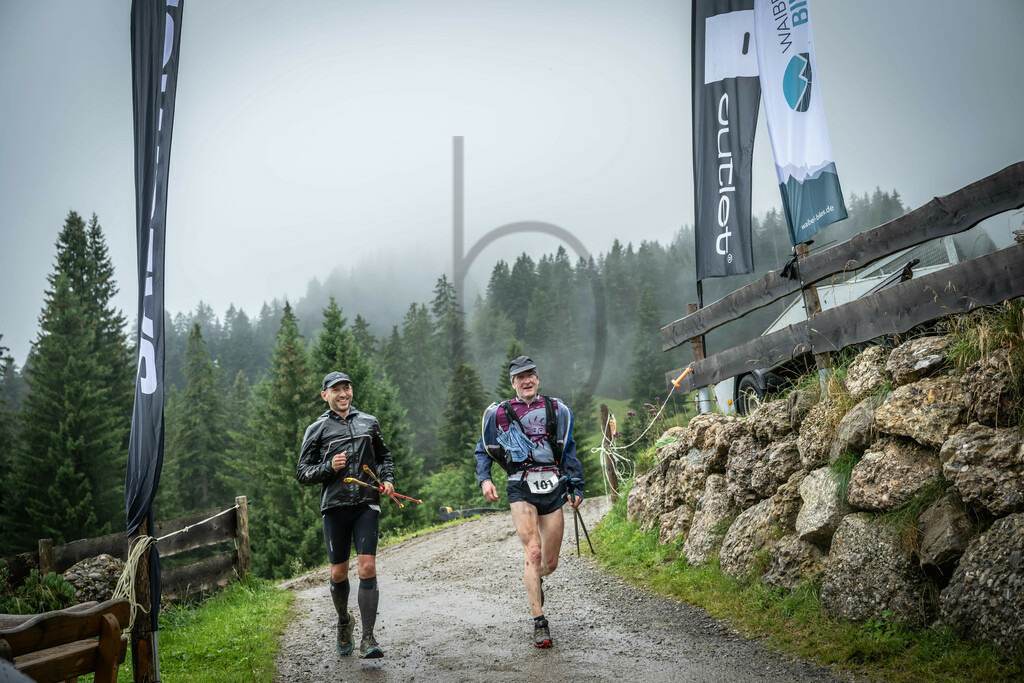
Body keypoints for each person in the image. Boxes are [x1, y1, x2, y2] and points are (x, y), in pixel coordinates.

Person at [474, 355, 584, 648]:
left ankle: (535, 580)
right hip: (519, 484)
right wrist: (485, 479)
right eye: (520, 377)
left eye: (530, 375)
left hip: (553, 485)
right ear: (513, 383)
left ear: (538, 378)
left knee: (550, 562)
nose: (526, 381)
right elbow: (482, 450)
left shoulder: (556, 409)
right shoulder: (499, 414)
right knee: (533, 553)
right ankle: (540, 623)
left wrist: (576, 485)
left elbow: (568, 449)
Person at [297, 371, 395, 659]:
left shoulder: (369, 422)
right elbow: (303, 473)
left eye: (346, 388)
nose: (342, 394)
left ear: (351, 391)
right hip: (335, 506)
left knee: (367, 568)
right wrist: (329, 466)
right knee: (338, 573)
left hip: (367, 503)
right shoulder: (317, 429)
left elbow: (384, 457)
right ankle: (344, 621)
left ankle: (368, 638)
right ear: (324, 395)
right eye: (335, 390)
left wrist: (387, 479)